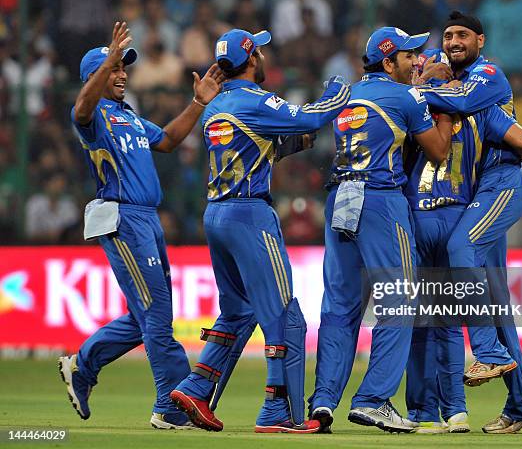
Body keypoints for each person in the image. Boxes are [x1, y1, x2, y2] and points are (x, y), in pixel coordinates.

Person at [169, 28, 350, 434]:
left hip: (216, 214)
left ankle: (197, 387)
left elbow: (258, 145)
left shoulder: (218, 105)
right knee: (287, 318)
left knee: (239, 310)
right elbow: (310, 117)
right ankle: (278, 412)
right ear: (252, 59)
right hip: (250, 215)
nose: (265, 57)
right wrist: (340, 94)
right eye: (261, 51)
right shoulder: (255, 99)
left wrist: (295, 142)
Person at [58, 22, 224, 429]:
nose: (122, 73)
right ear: (95, 76)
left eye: (123, 67)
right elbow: (81, 106)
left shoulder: (127, 116)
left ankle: (83, 366)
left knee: (144, 315)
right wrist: (108, 59)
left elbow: (167, 140)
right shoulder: (91, 115)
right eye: (115, 67)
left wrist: (198, 103)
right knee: (156, 315)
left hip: (147, 219)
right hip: (124, 218)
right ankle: (170, 406)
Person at [308, 27, 453, 434]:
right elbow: (439, 151)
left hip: (340, 198)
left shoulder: (347, 94)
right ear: (388, 63)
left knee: (339, 306)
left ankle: (323, 402)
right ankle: (373, 400)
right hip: (379, 201)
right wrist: (439, 104)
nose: (415, 63)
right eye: (408, 57)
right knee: (399, 302)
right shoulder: (405, 97)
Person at [413, 11, 522, 433]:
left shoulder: (486, 76)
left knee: (458, 249)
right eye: (448, 35)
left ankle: (488, 352)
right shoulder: (457, 88)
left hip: (499, 184)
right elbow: (520, 137)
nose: (453, 41)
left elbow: (463, 103)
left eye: (462, 35)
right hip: (478, 193)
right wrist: (427, 83)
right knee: (496, 305)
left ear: (480, 39)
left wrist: (419, 90)